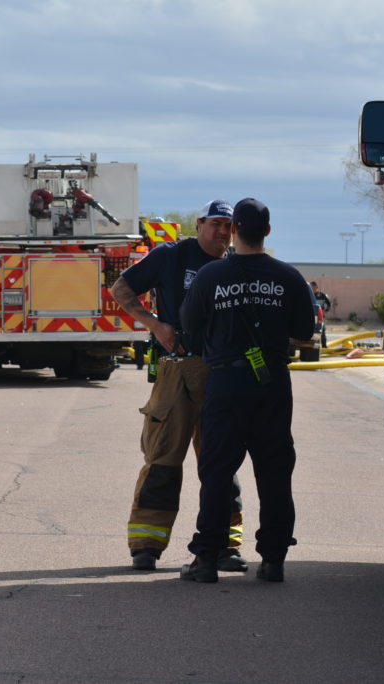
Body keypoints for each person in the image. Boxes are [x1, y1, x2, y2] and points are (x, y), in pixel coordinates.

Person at [179, 198, 314, 584]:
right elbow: (305, 331)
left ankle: (207, 559)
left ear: (234, 230)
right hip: (271, 383)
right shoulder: (289, 277)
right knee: (274, 473)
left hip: (226, 382)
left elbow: (189, 323)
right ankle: (273, 560)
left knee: (217, 471)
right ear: (267, 231)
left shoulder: (210, 276)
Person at [109, 199, 248, 572]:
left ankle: (224, 546)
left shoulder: (237, 265)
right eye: (216, 223)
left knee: (221, 463)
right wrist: (155, 325)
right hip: (177, 371)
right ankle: (146, 545)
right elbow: (120, 288)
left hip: (222, 373)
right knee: (163, 459)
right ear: (200, 224)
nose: (222, 231)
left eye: (229, 226)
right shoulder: (171, 256)